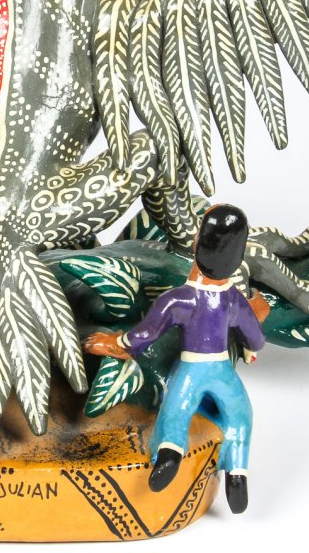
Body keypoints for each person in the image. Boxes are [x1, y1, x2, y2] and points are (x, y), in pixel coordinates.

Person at [85, 204, 265, 514]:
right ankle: (237, 471)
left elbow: (142, 336)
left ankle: (169, 454)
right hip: (222, 371)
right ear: (237, 256)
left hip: (192, 369)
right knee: (240, 415)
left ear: (197, 244)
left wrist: (111, 343)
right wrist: (251, 342)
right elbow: (255, 336)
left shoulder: (179, 299)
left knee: (176, 411)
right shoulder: (233, 299)